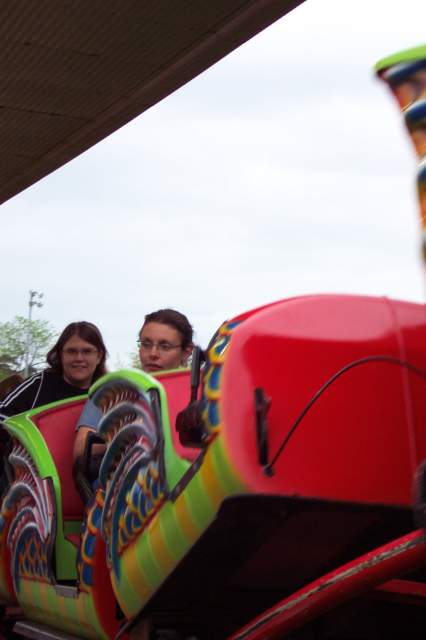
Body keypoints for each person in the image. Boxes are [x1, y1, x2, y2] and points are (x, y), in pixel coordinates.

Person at [73, 309, 193, 489]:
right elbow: (82, 450)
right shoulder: (114, 391)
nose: (152, 353)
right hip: (122, 484)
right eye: (146, 344)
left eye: (164, 346)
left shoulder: (198, 392)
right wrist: (129, 429)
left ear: (187, 352)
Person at [0, 322, 107, 418]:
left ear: (99, 356)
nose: (79, 358)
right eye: (71, 351)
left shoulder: (111, 393)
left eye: (87, 351)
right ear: (60, 355)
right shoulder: (39, 385)